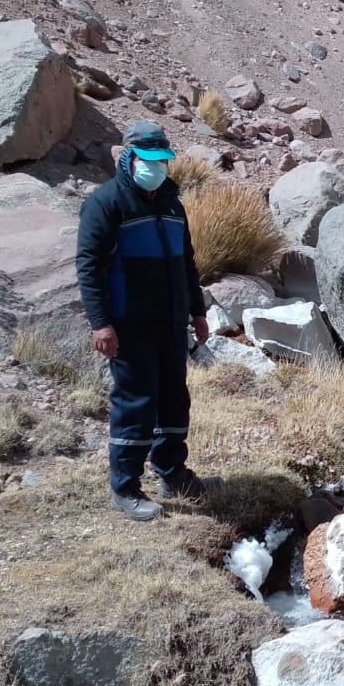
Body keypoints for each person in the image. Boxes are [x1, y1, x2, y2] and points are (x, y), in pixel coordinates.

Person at [76, 121, 220, 521]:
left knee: (174, 400)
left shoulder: (172, 204)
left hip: (172, 323)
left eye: (162, 161)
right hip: (129, 324)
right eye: (148, 160)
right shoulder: (106, 203)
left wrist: (197, 311)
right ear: (129, 158)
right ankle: (125, 487)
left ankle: (173, 473)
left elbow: (186, 262)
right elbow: (89, 267)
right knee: (136, 403)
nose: (156, 168)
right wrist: (100, 323)